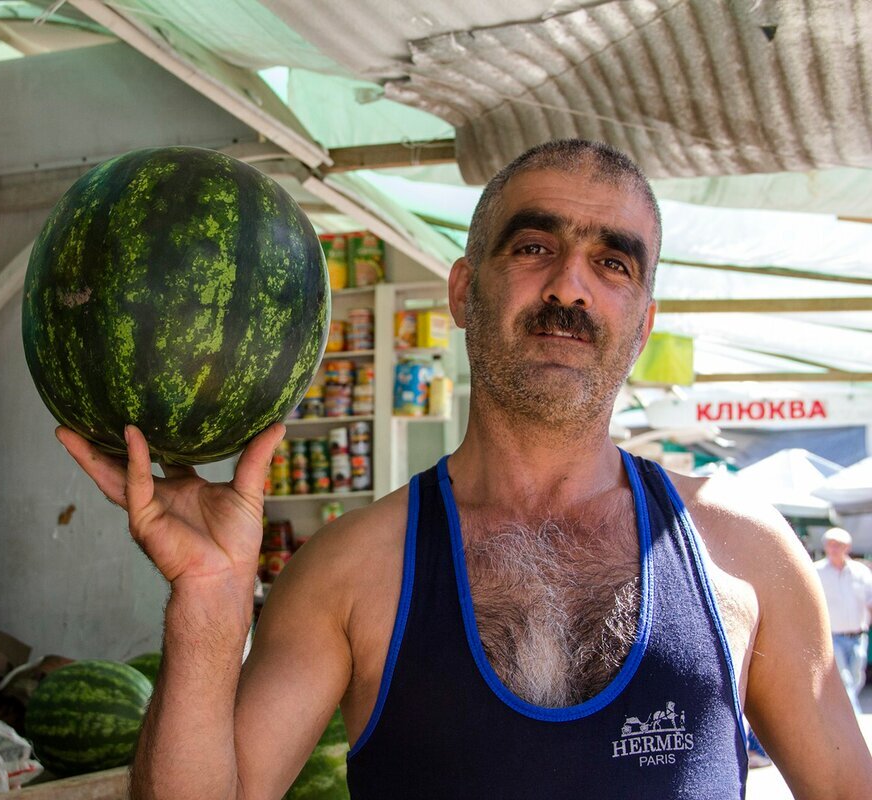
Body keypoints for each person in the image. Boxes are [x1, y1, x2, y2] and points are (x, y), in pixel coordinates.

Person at [58, 139, 872, 798]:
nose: (570, 287)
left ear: (644, 318)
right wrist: (206, 604)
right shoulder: (349, 572)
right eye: (534, 246)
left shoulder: (744, 550)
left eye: (614, 264)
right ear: (461, 289)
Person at [815, 526, 872, 714]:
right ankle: (853, 718)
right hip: (832, 635)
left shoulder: (860, 572)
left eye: (838, 545)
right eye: (830, 545)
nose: (834, 549)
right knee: (845, 680)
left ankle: (841, 712)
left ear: (847, 547)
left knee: (856, 678)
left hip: (858, 635)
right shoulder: (817, 572)